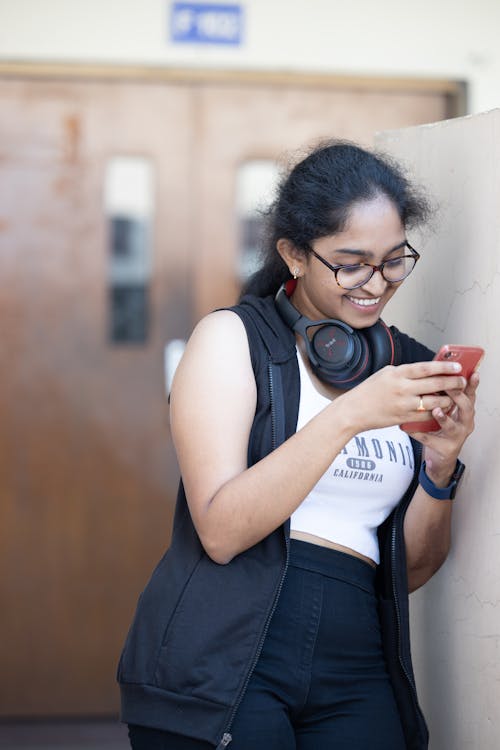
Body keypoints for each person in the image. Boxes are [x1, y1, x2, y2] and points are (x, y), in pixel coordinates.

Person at [118, 140, 479, 750]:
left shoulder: (408, 367)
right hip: (225, 660)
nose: (376, 284)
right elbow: (221, 530)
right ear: (293, 254)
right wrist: (349, 416)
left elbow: (410, 570)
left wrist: (440, 466)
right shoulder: (232, 340)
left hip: (360, 656)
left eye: (395, 261)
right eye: (351, 262)